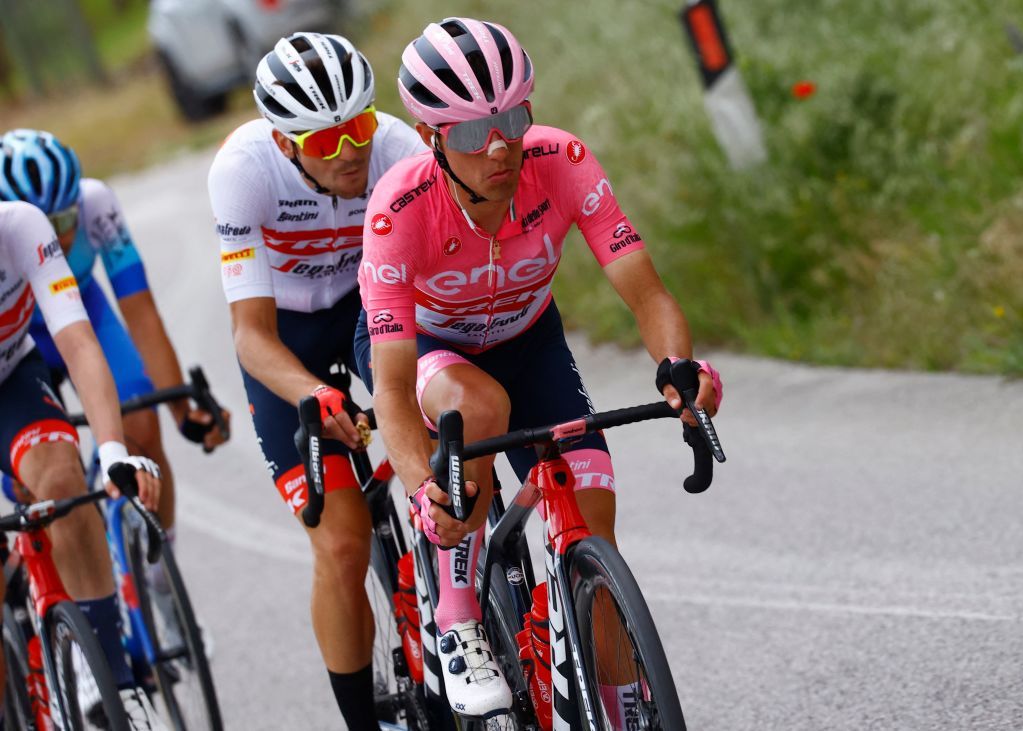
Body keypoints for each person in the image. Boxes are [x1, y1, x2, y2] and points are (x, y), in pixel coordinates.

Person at [356, 17, 724, 722]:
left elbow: (646, 291)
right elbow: (394, 392)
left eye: (512, 118)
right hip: (438, 352)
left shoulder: (561, 158)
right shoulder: (397, 211)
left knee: (594, 525)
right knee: (480, 409)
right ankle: (459, 615)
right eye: (470, 133)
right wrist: (423, 485)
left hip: (531, 339)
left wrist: (679, 367)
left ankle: (615, 703)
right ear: (433, 139)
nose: (499, 146)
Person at [206, 31, 425, 729]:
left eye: (357, 125)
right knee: (340, 541)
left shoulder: (398, 149)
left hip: (373, 312)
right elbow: (251, 335)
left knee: (445, 422)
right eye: (325, 139)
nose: (350, 148)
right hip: (289, 336)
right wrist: (311, 394)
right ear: (284, 142)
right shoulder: (242, 171)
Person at [0, 129, 231, 600]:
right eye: (47, 220)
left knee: (140, 421)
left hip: (81, 312)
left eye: (66, 217)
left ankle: (160, 583)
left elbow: (140, 312)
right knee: (34, 483)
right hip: (24, 333)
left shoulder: (96, 203)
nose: (60, 232)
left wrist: (182, 412)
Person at [0, 199, 166, 728]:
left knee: (64, 479)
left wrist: (113, 449)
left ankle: (112, 681)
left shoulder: (21, 225)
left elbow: (77, 340)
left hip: (11, 379)